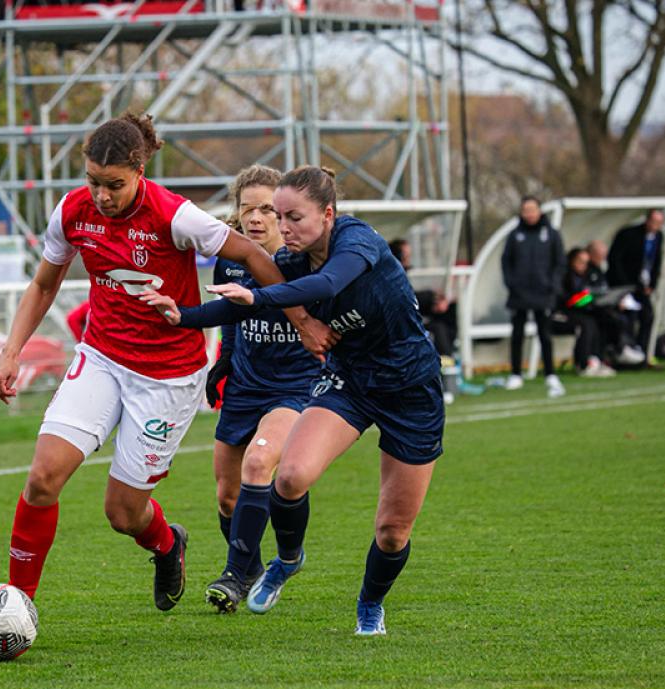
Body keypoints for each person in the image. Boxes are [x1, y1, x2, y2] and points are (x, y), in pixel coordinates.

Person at [0, 114, 334, 613]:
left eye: (114, 185)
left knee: (122, 513)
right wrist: (10, 352)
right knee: (42, 478)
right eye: (92, 182)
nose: (101, 196)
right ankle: (18, 605)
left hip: (168, 375)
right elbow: (45, 283)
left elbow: (254, 257)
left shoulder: (176, 215)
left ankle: (168, 545)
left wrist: (300, 318)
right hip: (102, 357)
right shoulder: (72, 210)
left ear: (140, 170)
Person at [141, 166, 443, 636]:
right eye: (277, 217)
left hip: (411, 390)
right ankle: (286, 559)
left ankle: (370, 604)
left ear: (327, 214)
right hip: (350, 383)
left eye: (292, 217)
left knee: (392, 530)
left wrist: (261, 296)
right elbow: (241, 303)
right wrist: (185, 316)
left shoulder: (356, 242)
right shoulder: (294, 263)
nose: (283, 228)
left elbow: (324, 286)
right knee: (290, 476)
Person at [193, 165, 324, 613]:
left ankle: (236, 573)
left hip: (296, 386)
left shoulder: (305, 257)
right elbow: (231, 314)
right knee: (226, 494)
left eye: (267, 208)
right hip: (247, 385)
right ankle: (248, 566)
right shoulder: (231, 256)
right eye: (247, 208)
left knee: (261, 460)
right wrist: (223, 362)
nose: (256, 218)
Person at [501, 196, 565, 397]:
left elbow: (559, 262)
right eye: (525, 210)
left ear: (539, 211)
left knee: (545, 335)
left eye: (532, 209)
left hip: (543, 294)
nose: (529, 213)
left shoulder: (551, 234)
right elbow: (506, 262)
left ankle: (550, 374)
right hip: (519, 294)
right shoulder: (515, 235)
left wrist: (552, 286)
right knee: (517, 335)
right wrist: (512, 284)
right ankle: (516, 374)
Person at [607, 209, 665, 363]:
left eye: (659, 223)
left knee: (648, 316)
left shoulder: (659, 237)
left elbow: (656, 262)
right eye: (653, 221)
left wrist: (652, 284)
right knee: (629, 317)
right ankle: (626, 354)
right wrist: (625, 284)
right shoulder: (629, 235)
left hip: (642, 287)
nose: (655, 226)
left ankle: (643, 354)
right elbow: (616, 260)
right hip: (624, 286)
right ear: (647, 220)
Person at [388, 238, 456, 356]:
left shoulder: (399, 272)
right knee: (438, 328)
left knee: (450, 311)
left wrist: (435, 301)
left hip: (409, 318)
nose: (408, 258)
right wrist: (431, 298)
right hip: (398, 324)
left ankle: (448, 360)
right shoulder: (391, 275)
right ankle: (446, 361)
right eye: (406, 255)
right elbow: (401, 300)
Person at [584, 240, 645, 367]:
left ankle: (627, 347)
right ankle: (618, 350)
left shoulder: (600, 271)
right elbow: (579, 297)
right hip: (588, 309)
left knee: (630, 314)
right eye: (600, 255)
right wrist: (593, 299)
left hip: (602, 306)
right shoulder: (586, 272)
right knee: (612, 319)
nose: (602, 259)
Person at [562, 247, 616, 377]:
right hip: (563, 314)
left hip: (582, 312)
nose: (583, 265)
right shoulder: (564, 276)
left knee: (603, 318)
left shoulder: (588, 275)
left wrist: (593, 298)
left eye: (586, 262)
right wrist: (589, 297)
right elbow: (567, 301)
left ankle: (597, 359)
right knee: (587, 324)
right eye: (580, 261)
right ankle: (582, 364)